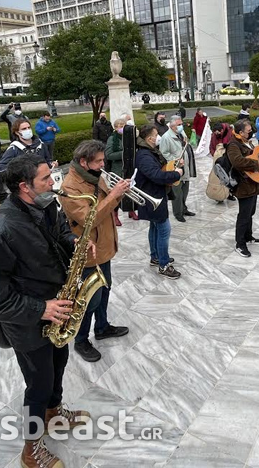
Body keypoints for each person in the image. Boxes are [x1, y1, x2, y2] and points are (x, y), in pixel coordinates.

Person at [0, 155, 90, 468]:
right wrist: (41, 309)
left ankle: (54, 411)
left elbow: (61, 233)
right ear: (24, 187)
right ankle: (31, 449)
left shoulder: (47, 204)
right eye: (46, 179)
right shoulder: (0, 231)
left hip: (56, 308)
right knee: (37, 384)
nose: (54, 183)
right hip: (27, 321)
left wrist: (75, 242)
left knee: (59, 362)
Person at [59, 140, 131, 363]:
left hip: (104, 247)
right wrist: (113, 195)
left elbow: (108, 204)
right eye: (99, 160)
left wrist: (120, 193)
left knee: (105, 290)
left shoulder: (94, 175)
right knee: (89, 299)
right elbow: (89, 219)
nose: (103, 163)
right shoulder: (70, 187)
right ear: (84, 162)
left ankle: (102, 327)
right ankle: (81, 340)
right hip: (88, 252)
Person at [135, 124, 183, 278]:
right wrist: (176, 174)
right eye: (156, 135)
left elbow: (160, 168)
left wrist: (173, 165)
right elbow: (157, 175)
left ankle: (155, 256)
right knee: (164, 230)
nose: (158, 137)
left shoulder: (149, 152)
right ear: (150, 138)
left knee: (155, 227)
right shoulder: (144, 155)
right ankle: (163, 264)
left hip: (155, 195)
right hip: (152, 197)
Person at [227, 119, 259, 257]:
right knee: (244, 215)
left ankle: (248, 236)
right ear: (240, 132)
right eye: (248, 130)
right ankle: (240, 243)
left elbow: (258, 155)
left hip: (253, 183)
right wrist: (256, 164)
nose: (251, 131)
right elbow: (237, 161)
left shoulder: (246, 142)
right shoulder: (233, 145)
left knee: (250, 212)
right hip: (243, 185)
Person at [160, 115, 196, 222]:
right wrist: (175, 160)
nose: (181, 126)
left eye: (181, 124)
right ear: (172, 125)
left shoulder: (181, 134)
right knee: (177, 193)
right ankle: (178, 213)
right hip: (174, 168)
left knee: (185, 190)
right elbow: (163, 153)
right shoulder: (166, 137)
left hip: (185, 167)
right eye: (179, 125)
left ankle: (184, 209)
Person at [104, 118, 127, 226]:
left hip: (128, 168)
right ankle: (115, 215)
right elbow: (109, 155)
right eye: (120, 126)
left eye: (124, 125)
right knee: (117, 194)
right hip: (117, 170)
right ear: (115, 127)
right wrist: (124, 154)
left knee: (130, 191)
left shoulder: (127, 137)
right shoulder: (112, 139)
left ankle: (131, 211)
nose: (122, 128)